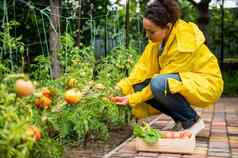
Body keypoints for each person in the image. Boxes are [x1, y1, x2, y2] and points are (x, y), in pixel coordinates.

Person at [111, 0, 224, 136]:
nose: (147, 36)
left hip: (207, 82)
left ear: (168, 26)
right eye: (145, 31)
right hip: (183, 81)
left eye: (151, 32)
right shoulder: (158, 41)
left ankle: (192, 121)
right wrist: (118, 88)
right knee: (139, 86)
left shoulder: (183, 44)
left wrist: (131, 99)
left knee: (159, 84)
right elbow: (140, 71)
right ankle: (180, 121)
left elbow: (162, 82)